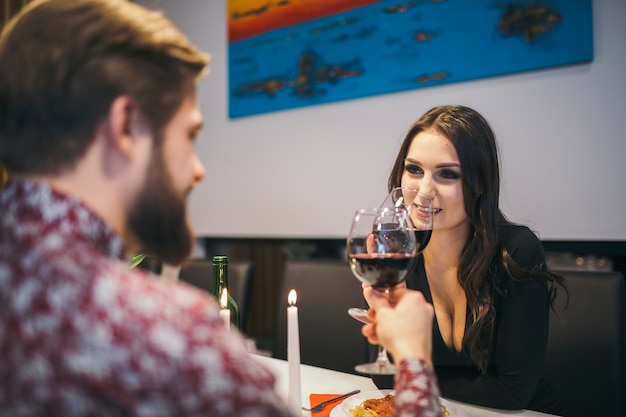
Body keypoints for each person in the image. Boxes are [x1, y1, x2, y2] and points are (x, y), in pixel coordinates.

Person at [0, 0, 295, 415]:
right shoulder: (169, 335)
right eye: (190, 135)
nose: (198, 170)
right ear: (126, 126)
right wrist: (410, 361)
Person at [370, 105, 566, 414]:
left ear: (481, 184)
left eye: (447, 174)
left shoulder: (516, 251)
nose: (424, 191)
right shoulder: (398, 255)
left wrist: (415, 377)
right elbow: (387, 375)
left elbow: (512, 393)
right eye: (415, 170)